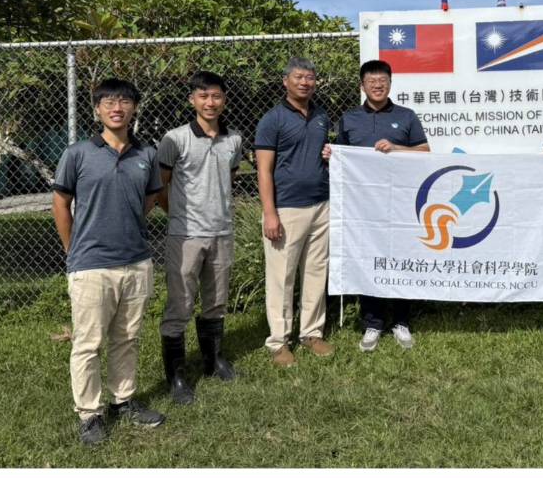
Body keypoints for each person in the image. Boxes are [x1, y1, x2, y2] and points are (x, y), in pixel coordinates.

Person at [52, 78, 165, 446]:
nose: (117, 107)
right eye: (109, 102)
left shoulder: (145, 155)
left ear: (133, 108)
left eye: (124, 101)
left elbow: (149, 200)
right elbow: (61, 203)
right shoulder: (78, 153)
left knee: (127, 337)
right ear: (97, 109)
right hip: (91, 264)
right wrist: (73, 250)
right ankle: (89, 413)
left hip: (136, 262)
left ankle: (124, 400)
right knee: (88, 342)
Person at [157, 71, 244, 403]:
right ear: (192, 99)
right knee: (179, 304)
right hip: (186, 235)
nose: (210, 102)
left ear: (224, 100)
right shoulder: (174, 139)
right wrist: (178, 215)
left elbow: (229, 179)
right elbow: (160, 185)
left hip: (222, 231)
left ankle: (213, 360)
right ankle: (176, 376)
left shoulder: (233, 140)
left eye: (216, 96)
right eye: (203, 96)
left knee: (217, 302)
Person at [333, 59, 429, 352]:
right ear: (362, 85)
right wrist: (331, 154)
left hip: (400, 203)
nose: (378, 85)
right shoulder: (349, 119)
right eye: (371, 80)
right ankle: (372, 323)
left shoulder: (406, 116)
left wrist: (397, 148)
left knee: (401, 260)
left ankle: (401, 321)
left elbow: (425, 152)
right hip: (362, 207)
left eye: (383, 80)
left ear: (390, 83)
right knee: (368, 261)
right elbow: (341, 157)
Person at [255, 58, 334, 368]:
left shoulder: (321, 117)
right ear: (285, 81)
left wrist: (328, 153)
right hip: (286, 208)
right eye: (299, 77)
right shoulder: (272, 119)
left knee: (316, 272)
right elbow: (263, 169)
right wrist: (269, 213)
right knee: (281, 277)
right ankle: (279, 340)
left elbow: (318, 155)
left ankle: (311, 333)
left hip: (320, 205)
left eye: (310, 78)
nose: (305, 82)